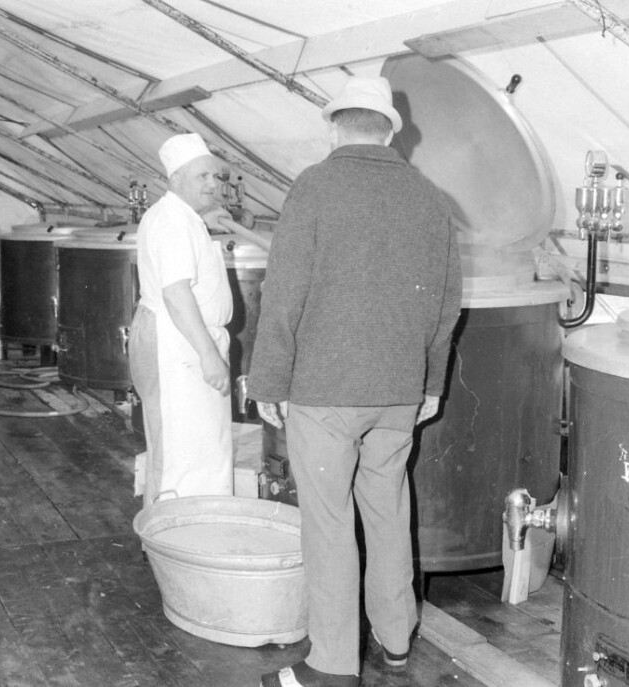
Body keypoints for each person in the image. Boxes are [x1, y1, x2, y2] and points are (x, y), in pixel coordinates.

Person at [249, 77, 462, 687]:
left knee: (329, 522)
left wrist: (269, 379)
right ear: (391, 129)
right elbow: (447, 303)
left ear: (334, 125)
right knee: (390, 510)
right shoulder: (429, 196)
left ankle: (332, 665)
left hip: (325, 389)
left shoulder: (315, 185)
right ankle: (396, 640)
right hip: (399, 389)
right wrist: (431, 385)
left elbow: (284, 292)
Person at [128, 133, 235, 507]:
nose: (212, 184)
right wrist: (209, 355)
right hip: (181, 344)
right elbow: (176, 294)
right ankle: (181, 540)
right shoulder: (174, 222)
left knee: (189, 445)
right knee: (184, 450)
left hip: (180, 339)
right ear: (174, 180)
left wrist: (206, 219)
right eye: (201, 177)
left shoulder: (179, 216)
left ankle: (184, 536)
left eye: (215, 177)